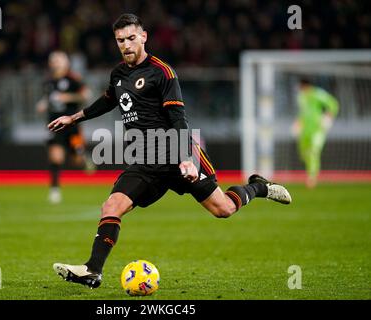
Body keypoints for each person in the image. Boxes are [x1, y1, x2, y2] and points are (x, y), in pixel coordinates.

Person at [48, 14, 292, 288]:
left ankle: (258, 187)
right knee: (112, 205)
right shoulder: (118, 74)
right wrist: (75, 117)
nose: (126, 45)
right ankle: (93, 270)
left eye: (131, 38)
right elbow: (107, 101)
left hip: (177, 154)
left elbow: (178, 119)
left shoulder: (162, 72)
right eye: (120, 40)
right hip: (145, 159)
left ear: (143, 37)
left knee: (222, 209)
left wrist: (187, 159)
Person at [36, 51, 94, 204]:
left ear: (66, 62)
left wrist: (68, 97)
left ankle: (83, 157)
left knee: (76, 160)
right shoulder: (47, 81)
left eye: (58, 59)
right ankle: (54, 190)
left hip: (72, 125)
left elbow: (86, 95)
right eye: (52, 60)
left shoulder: (74, 79)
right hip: (54, 125)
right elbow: (49, 98)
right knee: (56, 156)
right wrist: (43, 103)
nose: (55, 62)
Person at [293, 79, 339, 188]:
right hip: (305, 130)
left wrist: (328, 117)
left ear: (305, 86)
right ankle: (311, 172)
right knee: (304, 153)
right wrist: (298, 123)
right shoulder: (301, 97)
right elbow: (302, 112)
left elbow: (333, 104)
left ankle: (312, 177)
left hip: (317, 129)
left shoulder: (318, 94)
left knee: (313, 151)